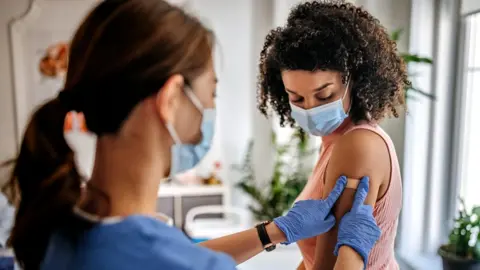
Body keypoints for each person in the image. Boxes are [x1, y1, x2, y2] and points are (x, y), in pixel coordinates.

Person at [1, 1, 379, 269]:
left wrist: (276, 230)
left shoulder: (57, 222)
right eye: (211, 93)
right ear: (169, 101)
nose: (211, 110)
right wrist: (352, 253)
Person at [257, 1, 407, 269]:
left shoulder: (357, 145)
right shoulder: (334, 141)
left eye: (324, 95)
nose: (312, 109)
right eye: (297, 99)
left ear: (354, 79)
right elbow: (311, 260)